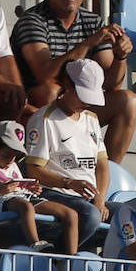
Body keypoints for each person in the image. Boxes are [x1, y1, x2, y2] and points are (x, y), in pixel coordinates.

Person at [11, 0, 136, 162]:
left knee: (127, 100)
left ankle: (109, 176)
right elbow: (43, 75)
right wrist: (88, 44)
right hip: (36, 102)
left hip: (78, 100)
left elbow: (112, 84)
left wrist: (121, 57)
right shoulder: (32, 20)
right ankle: (56, 165)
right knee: (51, 91)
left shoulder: (93, 21)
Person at [22, 58, 110, 247]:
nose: (86, 103)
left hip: (89, 197)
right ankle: (60, 258)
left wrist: (100, 198)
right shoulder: (44, 119)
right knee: (91, 215)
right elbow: (34, 170)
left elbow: (102, 164)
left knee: (130, 214)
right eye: (82, 95)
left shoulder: (91, 119)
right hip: (54, 192)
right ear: (67, 85)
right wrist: (69, 183)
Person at [0, 119, 65, 251]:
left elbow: (19, 186)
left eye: (16, 156)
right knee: (25, 206)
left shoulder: (13, 165)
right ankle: (36, 243)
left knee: (69, 214)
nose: (11, 160)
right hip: (2, 202)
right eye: (7, 155)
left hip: (23, 198)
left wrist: (29, 188)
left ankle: (70, 257)